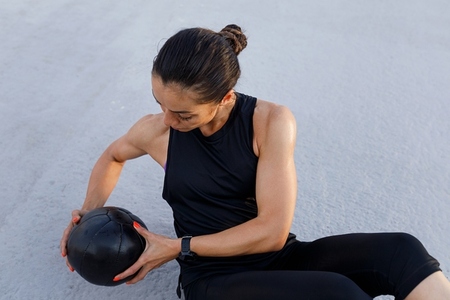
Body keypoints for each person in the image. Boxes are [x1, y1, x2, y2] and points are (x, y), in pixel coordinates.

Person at [60, 24, 450, 300]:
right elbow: (114, 154)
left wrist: (177, 246)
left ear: (225, 98)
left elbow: (272, 231)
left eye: (183, 114)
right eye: (159, 103)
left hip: (277, 257)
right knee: (339, 294)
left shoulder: (270, 122)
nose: (167, 120)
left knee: (402, 251)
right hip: (213, 280)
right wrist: (87, 217)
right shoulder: (157, 131)